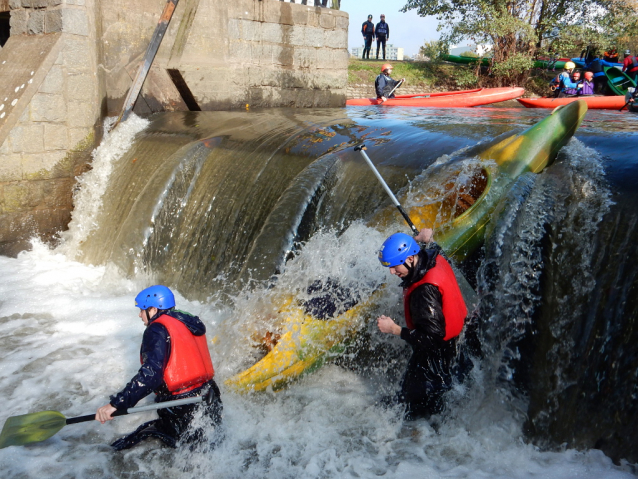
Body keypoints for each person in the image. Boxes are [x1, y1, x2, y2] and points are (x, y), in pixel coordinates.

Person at [96, 285, 223, 450]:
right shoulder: (186, 321)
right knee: (208, 446)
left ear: (153, 309)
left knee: (123, 446)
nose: (140, 314)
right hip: (209, 395)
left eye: (142, 310)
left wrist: (116, 404)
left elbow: (151, 375)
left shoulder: (156, 330)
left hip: (183, 405)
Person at [376, 230, 468, 418]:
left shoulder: (424, 292)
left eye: (394, 266)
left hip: (435, 358)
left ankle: (418, 435)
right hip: (458, 346)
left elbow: (432, 339)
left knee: (413, 410)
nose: (392, 272)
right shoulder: (434, 256)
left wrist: (394, 329)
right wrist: (429, 239)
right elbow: (435, 249)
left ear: (410, 258)